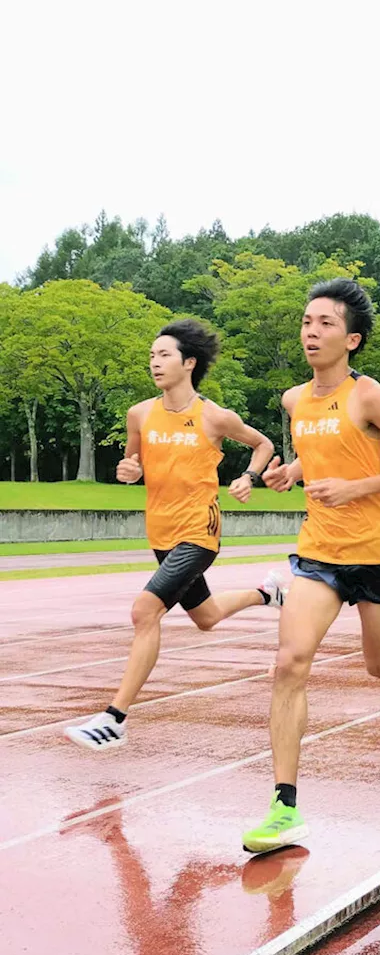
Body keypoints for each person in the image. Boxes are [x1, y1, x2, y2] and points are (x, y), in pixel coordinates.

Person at [242, 279, 380, 853]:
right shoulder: (296, 400)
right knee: (289, 662)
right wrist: (291, 472)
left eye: (324, 323)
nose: (311, 331)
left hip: (376, 549)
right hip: (319, 551)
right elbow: (317, 451)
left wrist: (356, 488)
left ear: (352, 338)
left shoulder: (369, 395)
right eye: (306, 321)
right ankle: (284, 807)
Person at [64, 320, 285, 751]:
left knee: (145, 612)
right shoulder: (140, 414)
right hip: (160, 531)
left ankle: (114, 719)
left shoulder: (215, 416)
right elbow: (133, 463)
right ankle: (268, 593)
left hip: (199, 530)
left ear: (189, 363)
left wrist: (248, 477)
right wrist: (129, 470)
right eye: (152, 355)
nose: (154, 362)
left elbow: (263, 444)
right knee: (205, 617)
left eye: (163, 355)